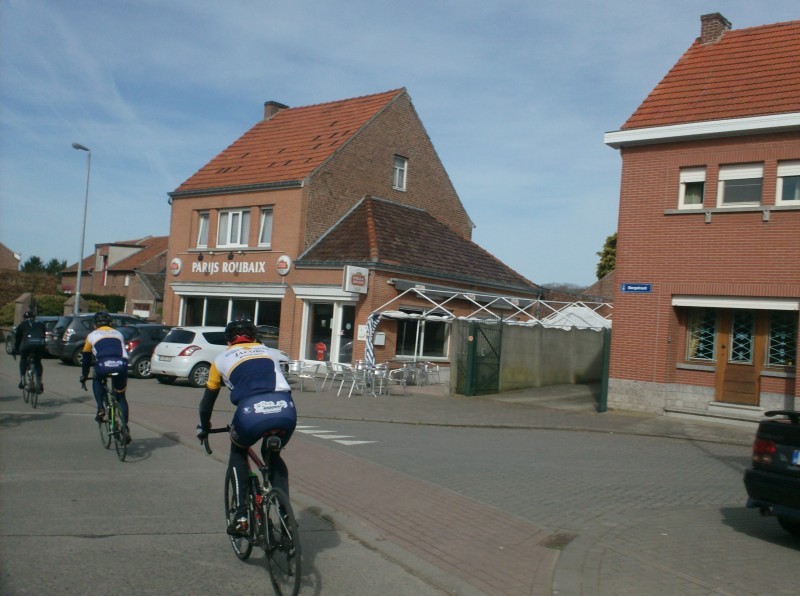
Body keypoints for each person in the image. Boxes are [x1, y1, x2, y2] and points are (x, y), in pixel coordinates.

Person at [196, 318, 297, 536]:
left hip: (251, 412)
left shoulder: (220, 359)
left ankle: (241, 515)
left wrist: (204, 427)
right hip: (286, 409)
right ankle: (286, 516)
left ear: (228, 340)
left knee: (238, 451)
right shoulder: (268, 351)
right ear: (254, 336)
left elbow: (207, 404)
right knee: (273, 454)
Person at [79, 311, 131, 444]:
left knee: (97, 379)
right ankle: (125, 428)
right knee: (121, 397)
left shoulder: (91, 335)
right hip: (121, 365)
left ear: (95, 325)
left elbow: (85, 358)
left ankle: (100, 408)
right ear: (111, 323)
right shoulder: (118, 333)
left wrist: (84, 375)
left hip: (103, 365)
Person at [13, 311, 47, 392]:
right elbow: (43, 335)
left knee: (23, 359)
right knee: (38, 362)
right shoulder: (41, 323)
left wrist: (16, 349)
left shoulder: (23, 324)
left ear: (25, 318)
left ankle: (22, 379)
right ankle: (39, 381)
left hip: (28, 344)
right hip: (40, 344)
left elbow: (18, 338)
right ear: (34, 317)